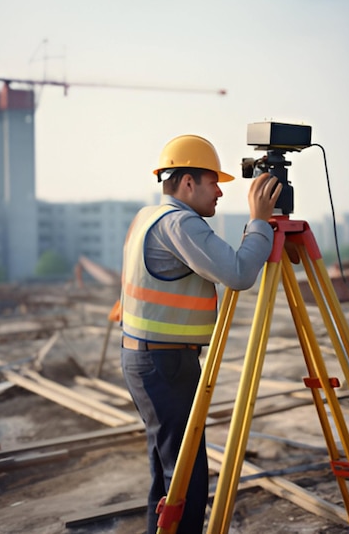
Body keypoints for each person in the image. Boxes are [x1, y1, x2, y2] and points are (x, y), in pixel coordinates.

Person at [119, 134, 282, 534]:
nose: (221, 193)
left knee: (169, 470)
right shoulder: (179, 223)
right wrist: (260, 220)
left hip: (148, 357)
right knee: (186, 477)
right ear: (187, 182)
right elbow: (240, 273)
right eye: (214, 182)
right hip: (164, 362)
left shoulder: (147, 217)